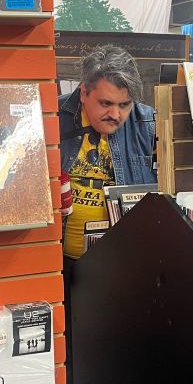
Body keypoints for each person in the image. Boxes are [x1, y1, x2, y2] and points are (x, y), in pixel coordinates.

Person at [59, 45, 155, 261]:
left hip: (121, 263)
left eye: (124, 104)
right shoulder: (51, 117)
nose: (115, 114)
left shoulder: (149, 124)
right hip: (58, 262)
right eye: (106, 103)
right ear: (84, 92)